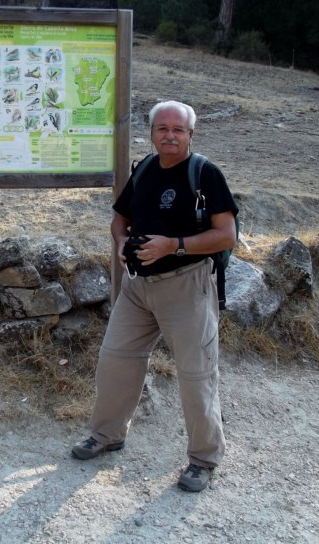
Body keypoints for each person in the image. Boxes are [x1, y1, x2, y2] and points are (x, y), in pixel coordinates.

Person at [71, 100, 239, 493]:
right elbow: (120, 219)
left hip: (186, 284)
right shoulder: (145, 169)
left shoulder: (205, 175)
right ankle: (107, 433)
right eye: (162, 128)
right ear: (152, 133)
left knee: (196, 375)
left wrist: (173, 246)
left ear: (191, 134)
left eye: (178, 129)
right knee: (116, 360)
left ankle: (203, 458)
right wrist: (120, 243)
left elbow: (226, 235)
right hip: (137, 287)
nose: (170, 135)